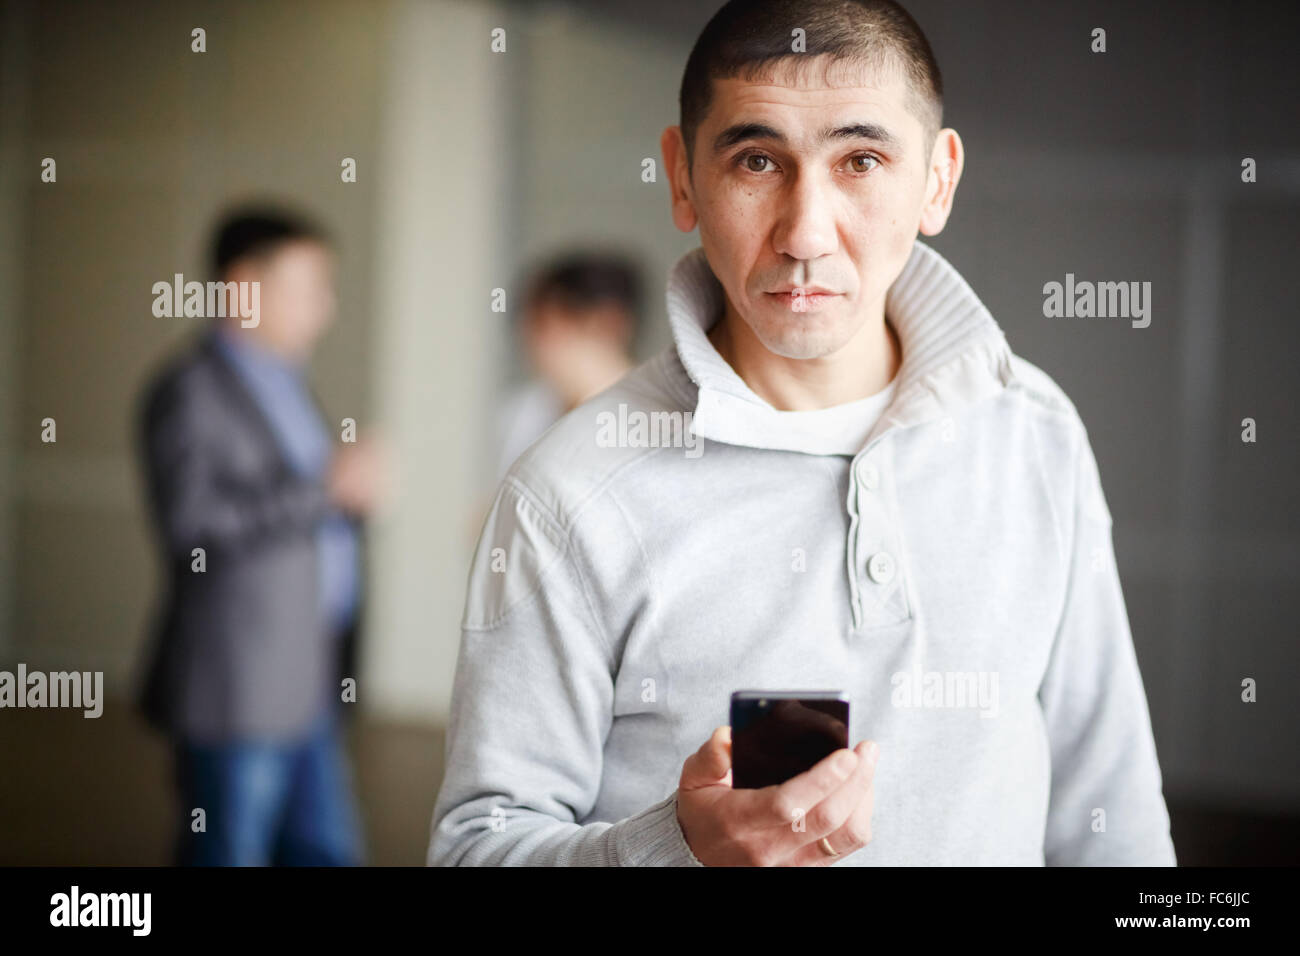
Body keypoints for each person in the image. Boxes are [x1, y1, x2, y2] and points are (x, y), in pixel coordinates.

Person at [430, 0, 1176, 866]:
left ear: (937, 179)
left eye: (861, 160)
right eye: (757, 160)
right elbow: (472, 850)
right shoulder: (568, 495)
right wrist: (674, 849)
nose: (806, 234)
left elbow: (1112, 811)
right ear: (681, 177)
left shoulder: (1034, 434)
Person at [135, 206, 385, 866]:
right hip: (238, 689)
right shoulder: (191, 389)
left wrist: (347, 495)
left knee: (322, 851)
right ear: (244, 284)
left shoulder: (284, 382)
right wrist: (326, 489)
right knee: (227, 852)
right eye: (309, 288)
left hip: (308, 678)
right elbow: (191, 523)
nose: (324, 308)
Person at [493, 252, 642, 484]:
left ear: (609, 323)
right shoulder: (526, 411)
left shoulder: (651, 421)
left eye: (546, 324)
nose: (532, 340)